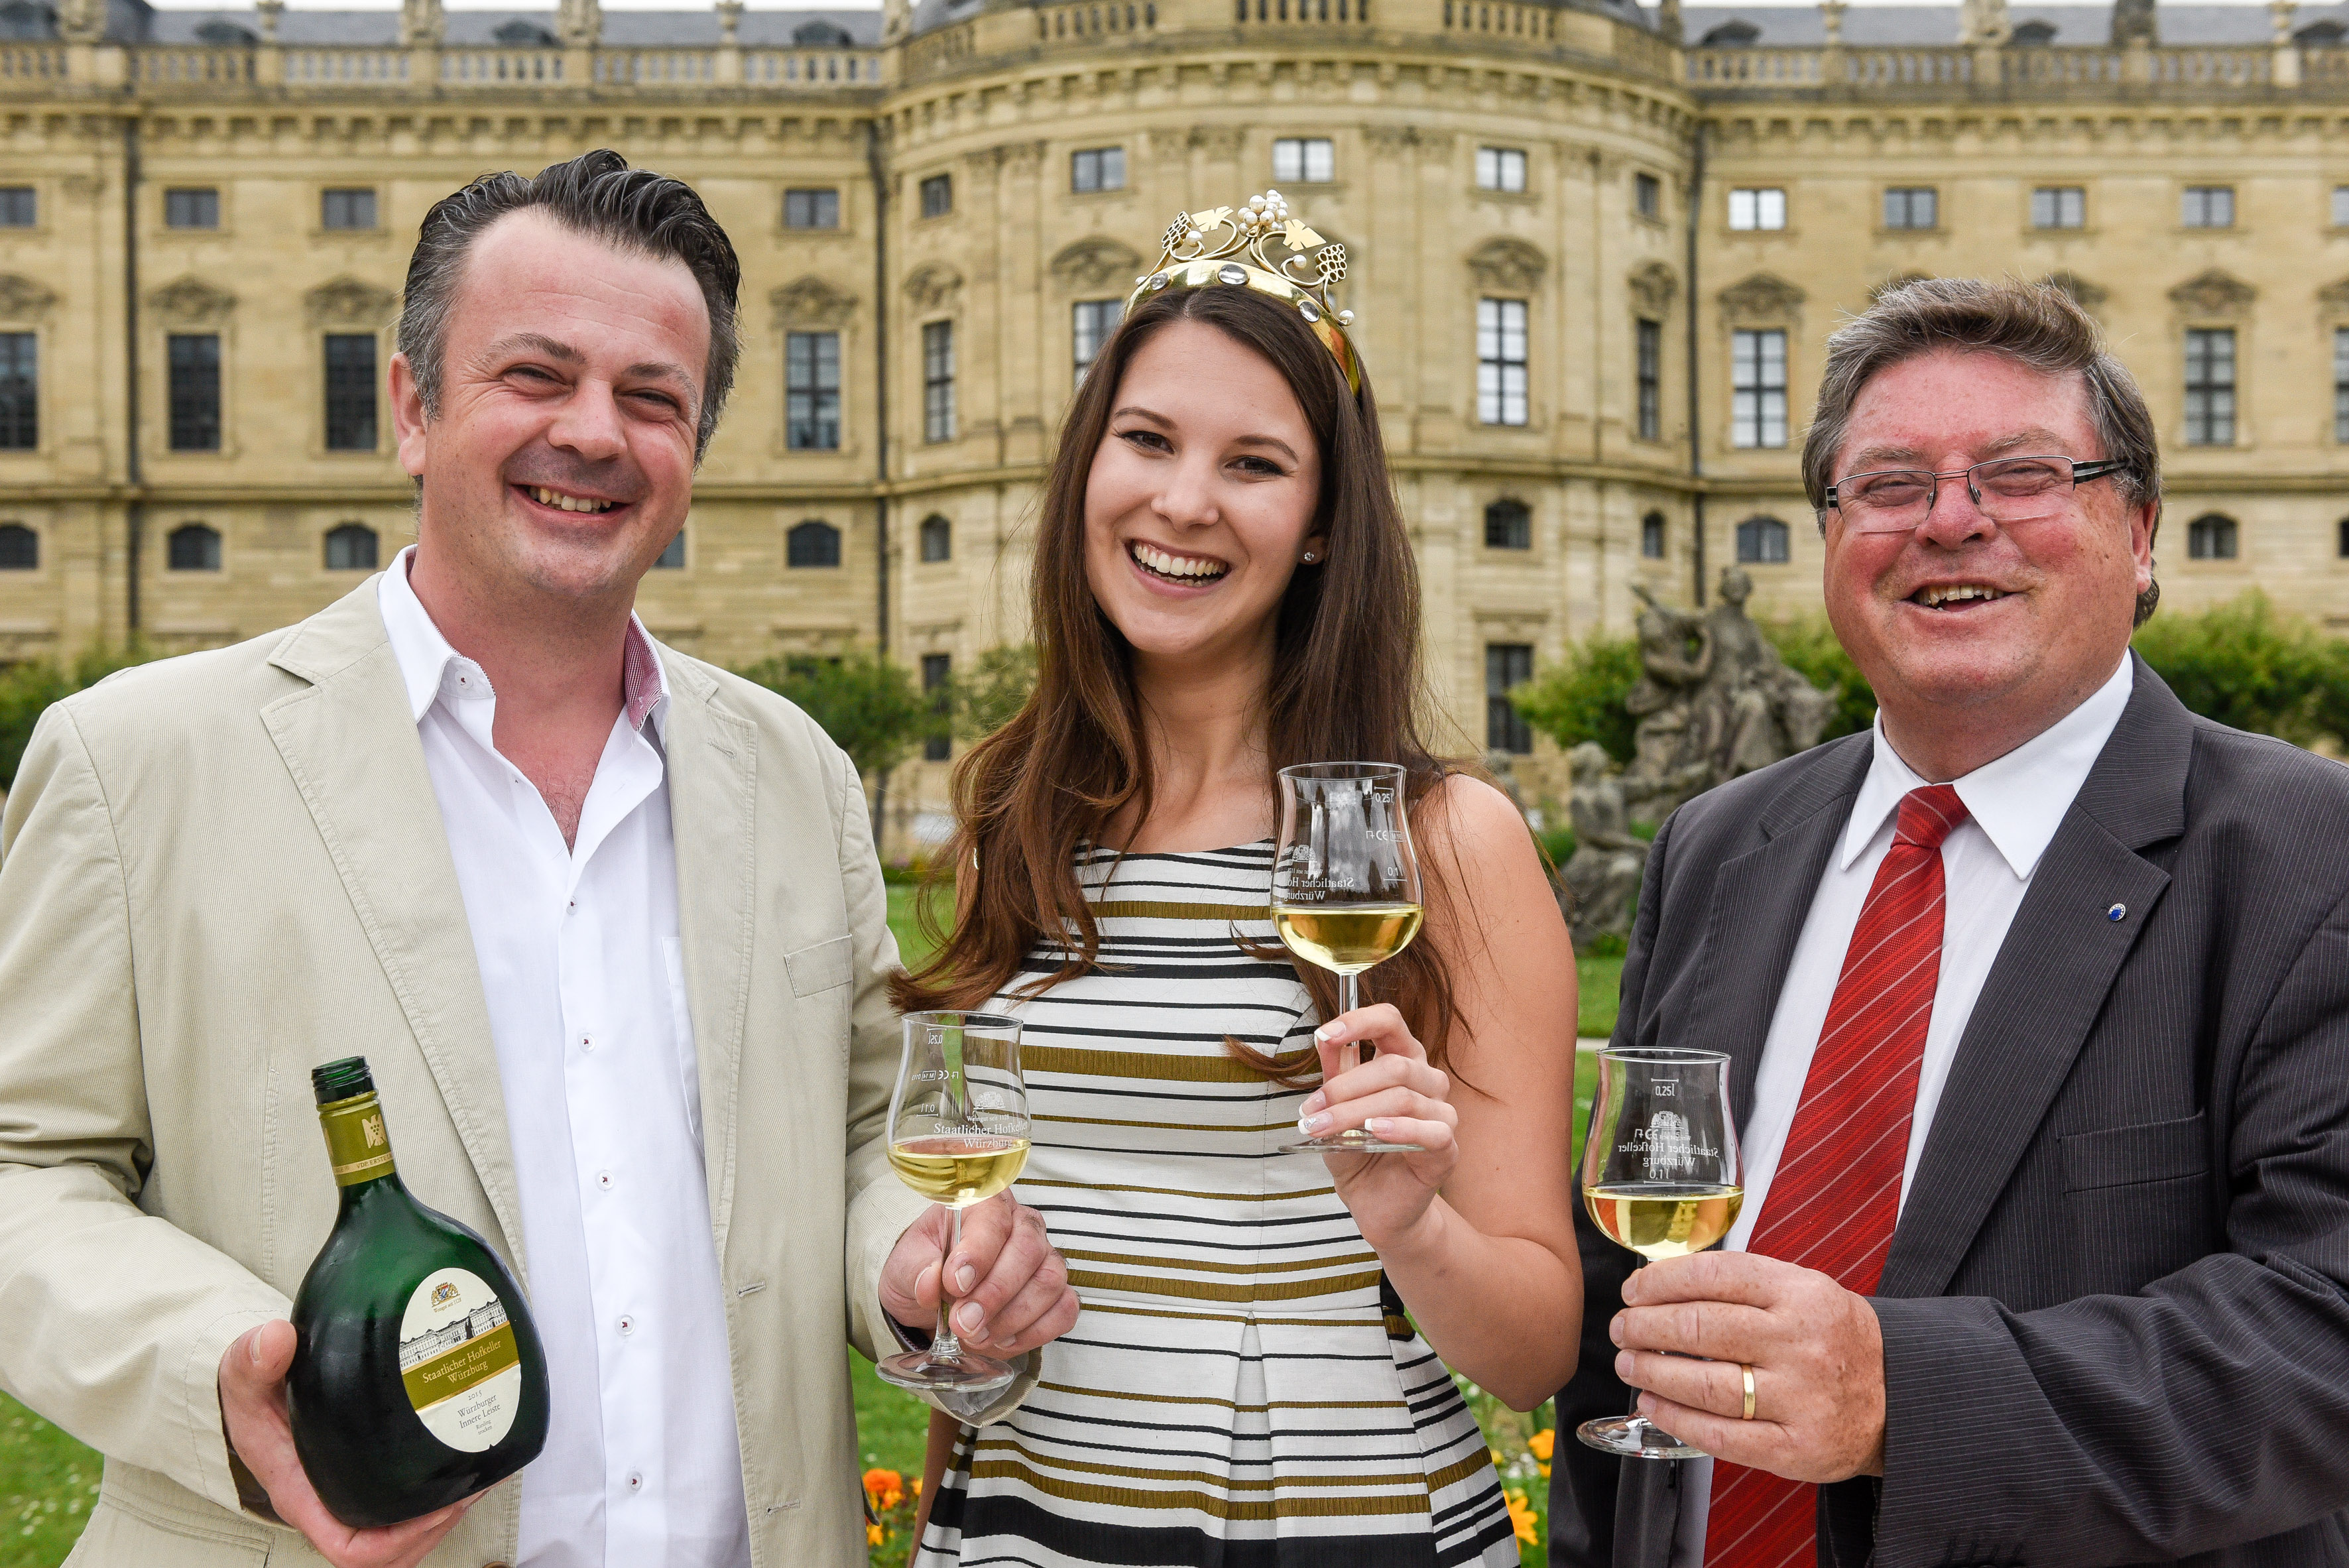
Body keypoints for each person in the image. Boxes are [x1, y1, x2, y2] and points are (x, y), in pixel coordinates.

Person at [0, 151, 1076, 1568]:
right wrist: (220, 1364)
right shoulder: (138, 760)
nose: (594, 433)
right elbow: (23, 1170)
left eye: (651, 397)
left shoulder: (795, 772)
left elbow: (866, 1140)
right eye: (535, 375)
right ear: (410, 406)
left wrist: (917, 1264)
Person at [1549, 277, 2349, 1566]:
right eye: (1887, 485)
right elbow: (1624, 1313)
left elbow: (2323, 1331)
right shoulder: (1715, 845)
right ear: (1827, 534)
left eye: (2020, 474)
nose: (1950, 522)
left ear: (2137, 532)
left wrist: (1895, 1397)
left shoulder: (2309, 855)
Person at [891, 193, 1584, 1567]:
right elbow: (977, 1237)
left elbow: (1534, 1349)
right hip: (1023, 1520)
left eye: (1254, 463)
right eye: (1144, 441)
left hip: (1331, 1520)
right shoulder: (1011, 819)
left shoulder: (1445, 842)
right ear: (1087, 468)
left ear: (1322, 522)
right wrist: (940, 1340)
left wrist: (1407, 1222)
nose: (1182, 501)